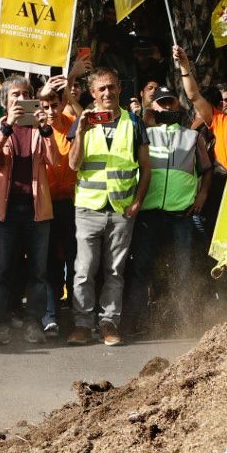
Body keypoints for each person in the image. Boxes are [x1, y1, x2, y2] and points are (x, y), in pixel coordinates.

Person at [67, 67, 150, 347]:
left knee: (115, 271)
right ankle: (81, 324)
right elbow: (73, 164)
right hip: (89, 208)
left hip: (121, 209)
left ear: (119, 89)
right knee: (84, 269)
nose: (107, 93)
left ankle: (108, 323)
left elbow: (145, 168)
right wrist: (79, 132)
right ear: (92, 93)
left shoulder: (134, 122)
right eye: (101, 88)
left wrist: (137, 201)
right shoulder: (83, 121)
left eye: (112, 87)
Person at [126, 84, 212, 336]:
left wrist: (203, 194)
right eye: (161, 102)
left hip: (180, 217)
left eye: (170, 102)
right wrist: (146, 121)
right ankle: (137, 324)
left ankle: (181, 325)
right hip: (148, 216)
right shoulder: (144, 135)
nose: (165, 106)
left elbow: (207, 170)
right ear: (152, 106)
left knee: (181, 272)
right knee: (141, 270)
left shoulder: (191, 136)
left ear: (178, 105)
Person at [0, 75, 60, 344]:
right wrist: (8, 126)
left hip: (36, 210)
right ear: (5, 101)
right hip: (3, 212)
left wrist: (46, 129)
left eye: (25, 93)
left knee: (38, 272)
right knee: (0, 271)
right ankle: (1, 324)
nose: (21, 98)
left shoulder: (40, 128)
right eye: (15, 94)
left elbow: (55, 160)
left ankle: (33, 322)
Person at [39, 74, 80, 339]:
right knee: (49, 263)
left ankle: (77, 316)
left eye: (55, 104)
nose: (51, 111)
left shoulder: (74, 124)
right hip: (45, 204)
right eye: (45, 106)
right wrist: (43, 91)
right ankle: (50, 316)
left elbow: (82, 112)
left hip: (73, 204)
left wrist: (73, 74)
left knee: (76, 263)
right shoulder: (34, 127)